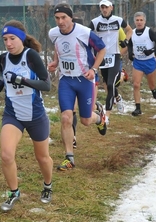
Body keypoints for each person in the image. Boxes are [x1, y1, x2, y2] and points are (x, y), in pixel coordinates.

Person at [0, 20, 53, 211]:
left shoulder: (31, 56)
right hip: (13, 115)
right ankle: (14, 192)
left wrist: (21, 80)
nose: (8, 43)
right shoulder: (4, 57)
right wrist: (0, 82)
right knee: (6, 155)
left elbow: (47, 85)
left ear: (21, 38)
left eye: (12, 38)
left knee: (42, 157)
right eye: (5, 39)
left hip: (35, 114)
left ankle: (47, 185)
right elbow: (2, 73)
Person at [48, 3, 106, 171]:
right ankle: (69, 158)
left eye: (64, 18)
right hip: (66, 80)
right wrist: (56, 62)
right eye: (57, 18)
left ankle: (99, 118)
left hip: (85, 80)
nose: (60, 22)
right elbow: (58, 48)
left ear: (70, 17)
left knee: (86, 120)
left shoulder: (84, 32)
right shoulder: (53, 33)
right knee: (66, 117)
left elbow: (102, 49)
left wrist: (93, 69)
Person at [89, 0, 132, 122]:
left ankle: (107, 116)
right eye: (102, 7)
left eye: (106, 7)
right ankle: (117, 97)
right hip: (102, 57)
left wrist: (126, 41)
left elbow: (130, 30)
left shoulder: (118, 20)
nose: (104, 9)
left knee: (110, 84)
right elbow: (85, 34)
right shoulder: (95, 22)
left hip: (115, 55)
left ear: (111, 8)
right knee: (108, 83)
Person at [127, 12, 156, 116]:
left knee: (151, 85)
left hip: (149, 61)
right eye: (137, 20)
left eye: (141, 20)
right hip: (138, 62)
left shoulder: (149, 31)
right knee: (136, 84)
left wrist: (151, 51)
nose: (139, 22)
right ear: (134, 22)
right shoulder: (131, 33)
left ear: (144, 21)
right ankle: (138, 108)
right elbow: (129, 45)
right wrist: (130, 53)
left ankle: (153, 90)